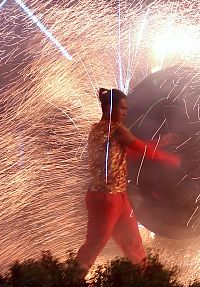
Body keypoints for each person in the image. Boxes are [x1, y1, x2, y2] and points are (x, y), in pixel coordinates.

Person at [76, 88, 180, 272]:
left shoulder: (97, 129)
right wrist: (172, 160)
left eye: (126, 109)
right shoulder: (116, 129)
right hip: (106, 199)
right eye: (122, 108)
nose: (125, 112)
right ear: (109, 107)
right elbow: (143, 150)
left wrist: (160, 143)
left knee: (134, 246)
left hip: (116, 198)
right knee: (92, 248)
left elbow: (128, 152)